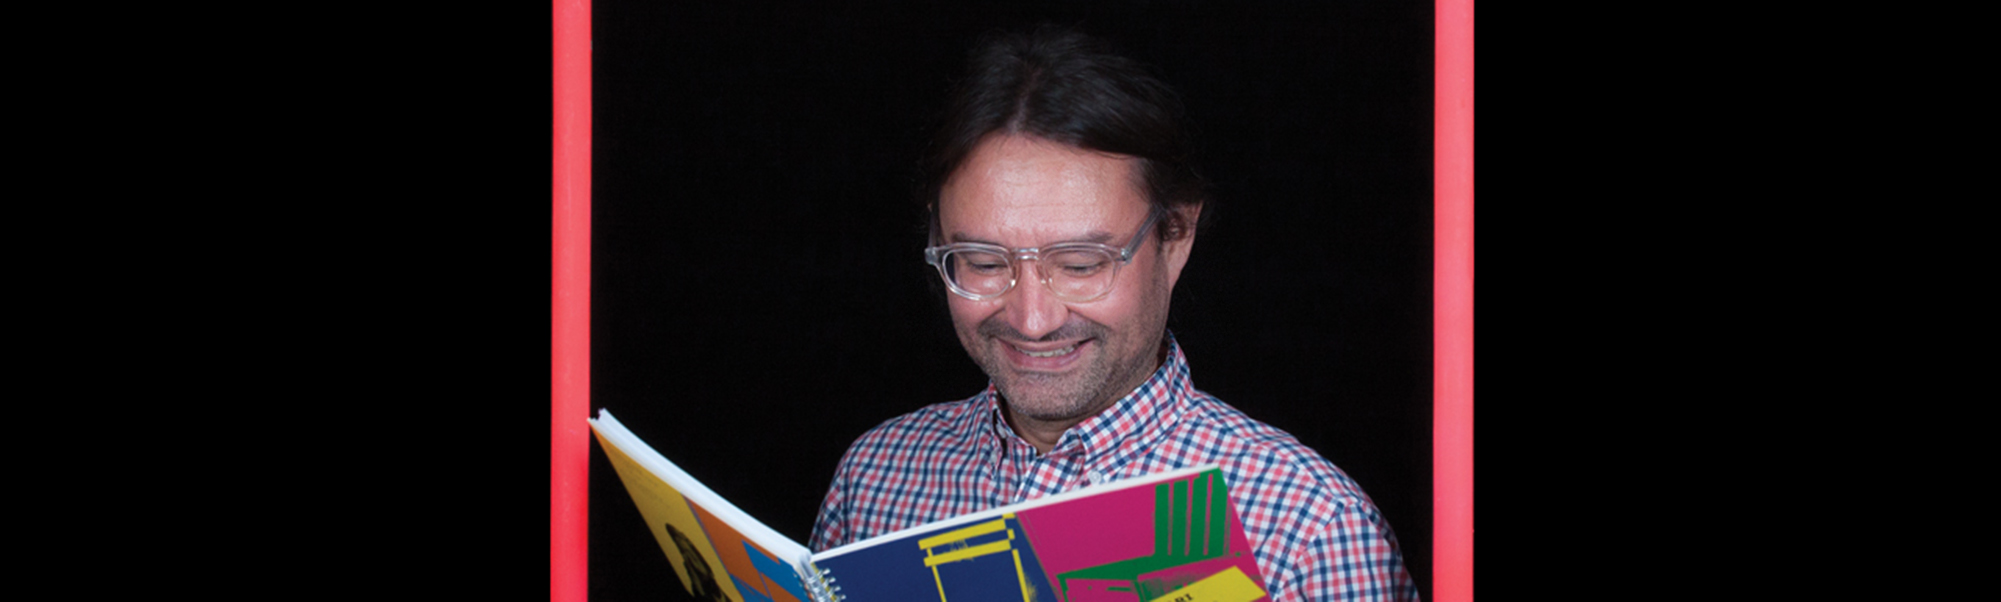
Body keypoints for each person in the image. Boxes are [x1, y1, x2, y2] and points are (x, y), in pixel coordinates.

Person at [809, 26, 1419, 601]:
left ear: (1175, 239)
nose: (1032, 318)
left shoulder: (1309, 529)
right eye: (982, 261)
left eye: (1080, 264)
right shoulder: (876, 473)